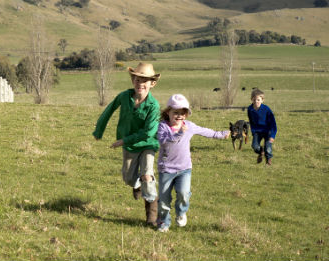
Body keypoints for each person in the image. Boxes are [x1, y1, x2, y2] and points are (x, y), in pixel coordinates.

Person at [93, 63, 161, 227]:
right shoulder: (124, 97)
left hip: (147, 144)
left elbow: (148, 133)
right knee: (129, 178)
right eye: (138, 79)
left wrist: (124, 140)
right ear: (133, 80)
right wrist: (99, 130)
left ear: (152, 83)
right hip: (130, 147)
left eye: (145, 81)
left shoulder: (154, 106)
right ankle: (136, 185)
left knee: (147, 175)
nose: (141, 84)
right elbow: (109, 110)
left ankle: (152, 217)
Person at [156, 94, 229, 232]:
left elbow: (205, 131)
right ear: (168, 112)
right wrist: (179, 134)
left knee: (183, 193)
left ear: (186, 115)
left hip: (184, 169)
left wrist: (221, 134)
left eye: (182, 113)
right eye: (175, 112)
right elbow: (164, 142)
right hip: (166, 169)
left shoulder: (189, 126)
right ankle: (164, 223)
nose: (179, 116)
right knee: (164, 200)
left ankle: (181, 212)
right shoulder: (163, 127)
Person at [247, 89, 277, 165]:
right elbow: (251, 121)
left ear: (262, 100)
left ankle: (268, 161)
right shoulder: (250, 109)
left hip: (268, 131)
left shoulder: (267, 109)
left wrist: (272, 135)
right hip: (257, 131)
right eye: (254, 100)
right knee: (255, 146)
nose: (256, 101)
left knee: (268, 147)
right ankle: (261, 152)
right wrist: (253, 131)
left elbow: (273, 124)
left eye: (258, 100)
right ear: (251, 99)